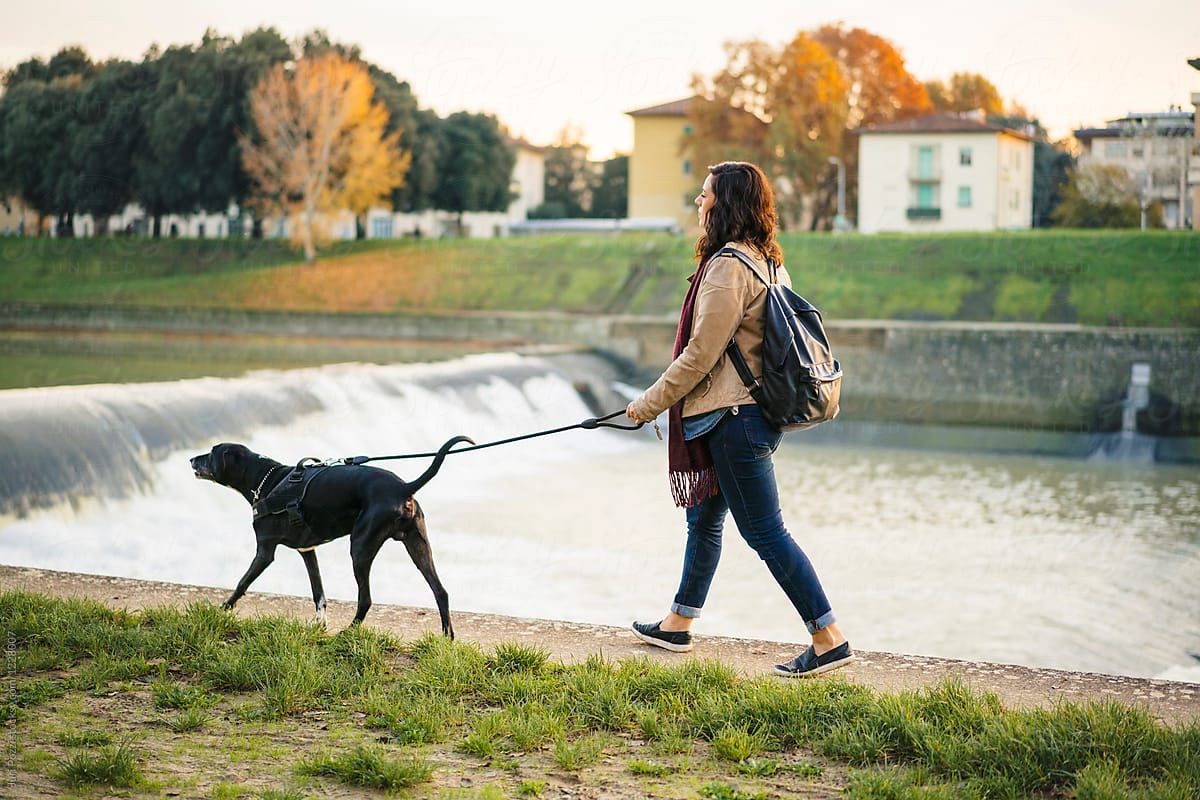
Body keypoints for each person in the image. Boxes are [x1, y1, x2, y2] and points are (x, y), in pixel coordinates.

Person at [624, 161, 853, 678]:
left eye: (705, 196)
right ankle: (679, 623)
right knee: (704, 522)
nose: (699, 203)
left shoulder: (729, 266)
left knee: (766, 532)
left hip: (734, 421)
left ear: (724, 204)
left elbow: (701, 354)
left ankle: (827, 637)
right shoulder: (769, 263)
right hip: (743, 417)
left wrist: (646, 405)